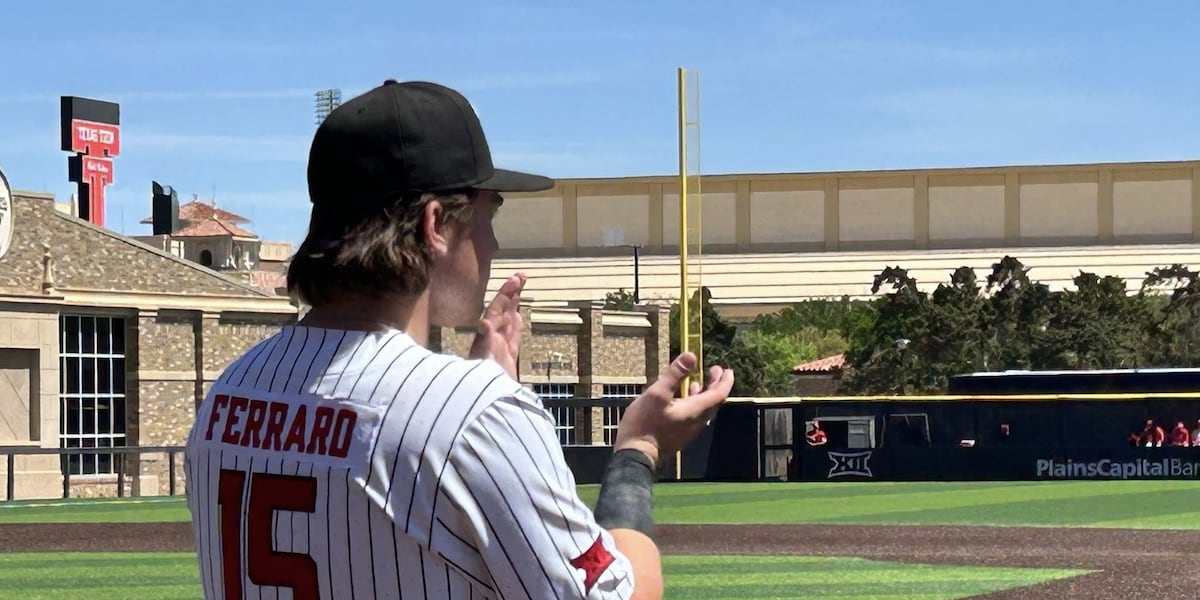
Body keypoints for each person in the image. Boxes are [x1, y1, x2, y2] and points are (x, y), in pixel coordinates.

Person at [183, 79, 734, 600]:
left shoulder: (232, 389)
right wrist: (638, 451)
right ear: (435, 224)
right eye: (488, 215)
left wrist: (477, 388)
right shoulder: (475, 414)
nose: (493, 245)